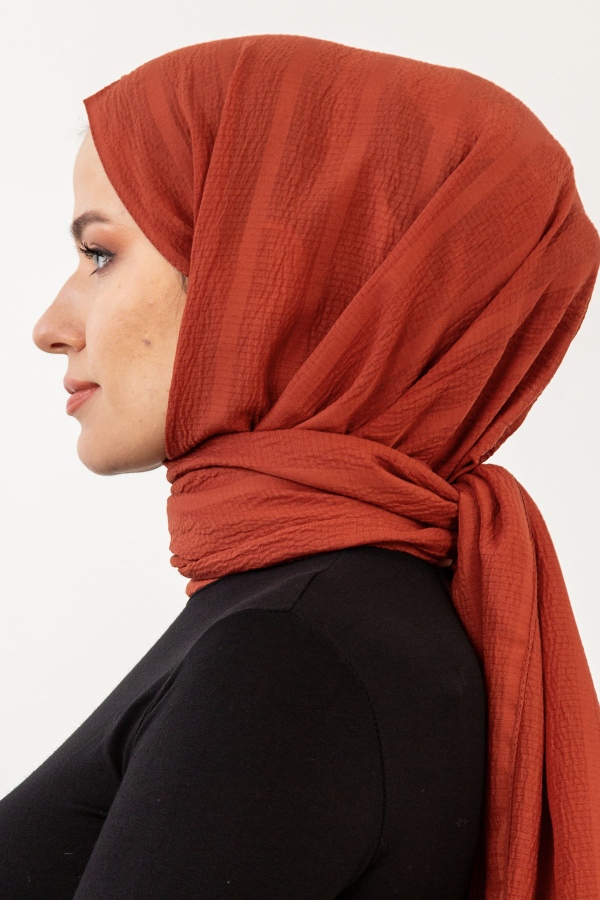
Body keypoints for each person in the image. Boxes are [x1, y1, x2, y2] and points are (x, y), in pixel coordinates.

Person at [1, 33, 598, 900]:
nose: (51, 327)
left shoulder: (289, 653)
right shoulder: (330, 615)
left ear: (270, 278)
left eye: (100, 254)